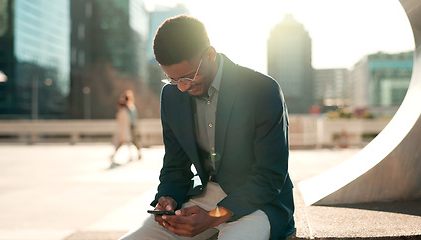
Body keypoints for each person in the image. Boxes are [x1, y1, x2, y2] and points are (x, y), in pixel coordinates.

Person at [119, 15, 295, 240]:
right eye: (172, 79)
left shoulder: (262, 90)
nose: (181, 87)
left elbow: (270, 176)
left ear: (210, 55)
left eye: (188, 77)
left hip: (257, 201)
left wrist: (215, 215)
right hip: (202, 197)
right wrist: (168, 198)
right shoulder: (172, 95)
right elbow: (175, 164)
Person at [111, 90, 142, 167]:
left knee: (129, 141)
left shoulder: (127, 109)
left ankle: (136, 154)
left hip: (129, 127)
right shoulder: (128, 109)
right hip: (129, 127)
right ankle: (135, 154)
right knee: (128, 142)